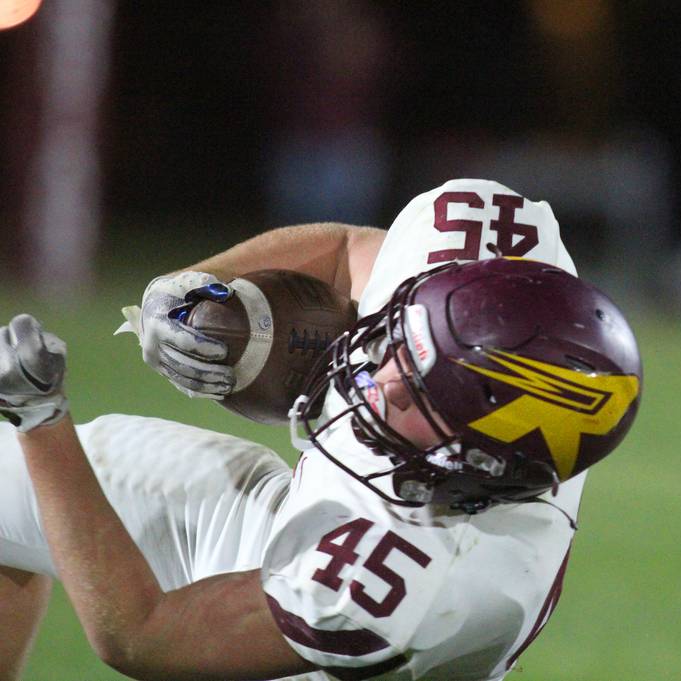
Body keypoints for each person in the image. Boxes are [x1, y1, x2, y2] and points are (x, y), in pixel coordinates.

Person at [0, 179, 642, 681]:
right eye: (402, 342)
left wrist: (40, 418)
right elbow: (349, 252)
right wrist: (192, 288)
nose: (380, 379)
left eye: (417, 396)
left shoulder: (431, 578)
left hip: (316, 648)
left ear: (478, 474)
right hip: (304, 517)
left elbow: (145, 634)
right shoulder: (483, 249)